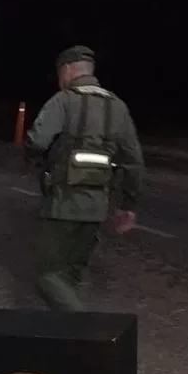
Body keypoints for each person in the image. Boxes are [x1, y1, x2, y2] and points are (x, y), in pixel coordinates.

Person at [25, 44, 144, 311]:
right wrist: (128, 206)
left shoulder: (64, 101)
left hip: (61, 204)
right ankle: (70, 342)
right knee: (72, 275)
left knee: (48, 275)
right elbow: (134, 162)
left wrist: (32, 156)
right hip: (96, 209)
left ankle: (86, 329)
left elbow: (37, 141)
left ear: (66, 70)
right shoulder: (118, 107)